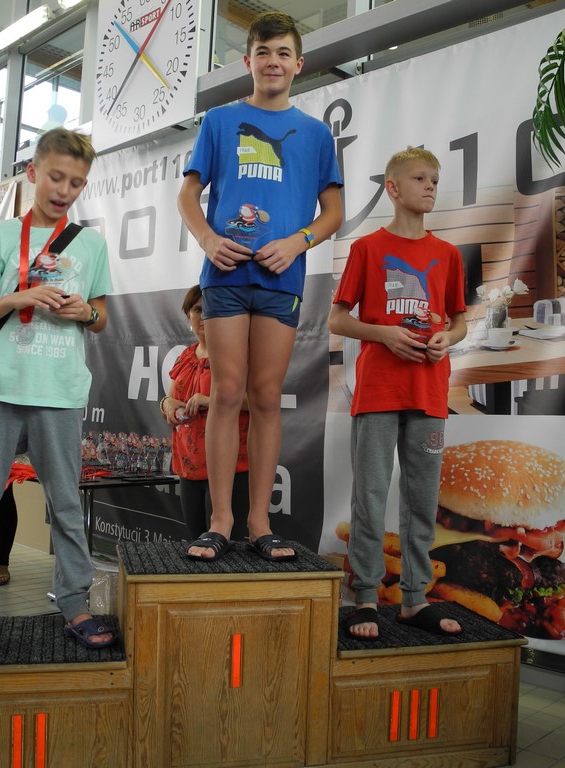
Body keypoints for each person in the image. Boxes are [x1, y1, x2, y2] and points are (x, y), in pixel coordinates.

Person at [0, 127, 114, 652]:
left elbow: (102, 318)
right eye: (56, 177)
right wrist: (22, 295)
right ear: (33, 172)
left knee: (66, 505)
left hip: (60, 391)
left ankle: (74, 604)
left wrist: (84, 310)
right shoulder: (1, 237)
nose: (64, 190)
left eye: (76, 183)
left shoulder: (92, 244)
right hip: (1, 387)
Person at [176, 11, 342, 561]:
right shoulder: (220, 121)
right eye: (263, 52)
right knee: (226, 392)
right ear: (248, 61)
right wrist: (207, 240)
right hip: (225, 276)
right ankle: (219, 521)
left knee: (266, 396)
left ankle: (258, 522)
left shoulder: (316, 135)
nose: (273, 62)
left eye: (283, 53)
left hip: (281, 278)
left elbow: (332, 212)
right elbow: (187, 196)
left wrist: (297, 242)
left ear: (299, 64)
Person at [328, 146, 468, 639]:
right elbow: (337, 319)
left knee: (422, 499)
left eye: (435, 180)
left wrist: (448, 338)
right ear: (392, 187)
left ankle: (414, 599)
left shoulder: (447, 255)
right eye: (420, 178)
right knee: (369, 495)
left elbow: (459, 322)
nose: (430, 187)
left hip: (429, 390)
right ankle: (365, 596)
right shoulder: (367, 249)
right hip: (379, 392)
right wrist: (385, 334)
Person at [160, 285, 250, 540]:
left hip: (230, 466)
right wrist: (166, 404)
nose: (204, 316)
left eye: (211, 309)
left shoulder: (238, 353)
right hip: (189, 466)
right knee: (196, 544)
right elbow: (170, 399)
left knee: (227, 546)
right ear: (188, 315)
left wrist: (211, 401)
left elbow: (262, 402)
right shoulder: (185, 356)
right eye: (197, 310)